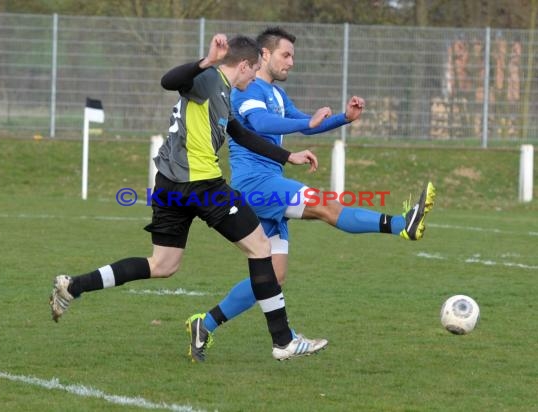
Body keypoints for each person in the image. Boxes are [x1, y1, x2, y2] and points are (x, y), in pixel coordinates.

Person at [49, 33, 330, 362]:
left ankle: (74, 285)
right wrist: (206, 61)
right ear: (243, 65)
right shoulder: (208, 79)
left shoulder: (223, 95)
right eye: (254, 70)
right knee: (261, 248)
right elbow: (170, 80)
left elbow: (241, 134)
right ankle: (283, 340)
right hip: (202, 186)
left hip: (170, 186)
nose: (255, 77)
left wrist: (287, 156)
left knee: (162, 264)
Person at [186, 27, 436, 362]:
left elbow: (305, 123)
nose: (291, 62)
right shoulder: (248, 89)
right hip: (257, 184)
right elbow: (258, 124)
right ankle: (402, 224)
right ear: (264, 55)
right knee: (326, 206)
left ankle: (205, 324)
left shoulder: (274, 94)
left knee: (272, 277)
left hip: (269, 183)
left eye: (293, 56)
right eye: (285, 55)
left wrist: (342, 119)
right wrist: (303, 131)